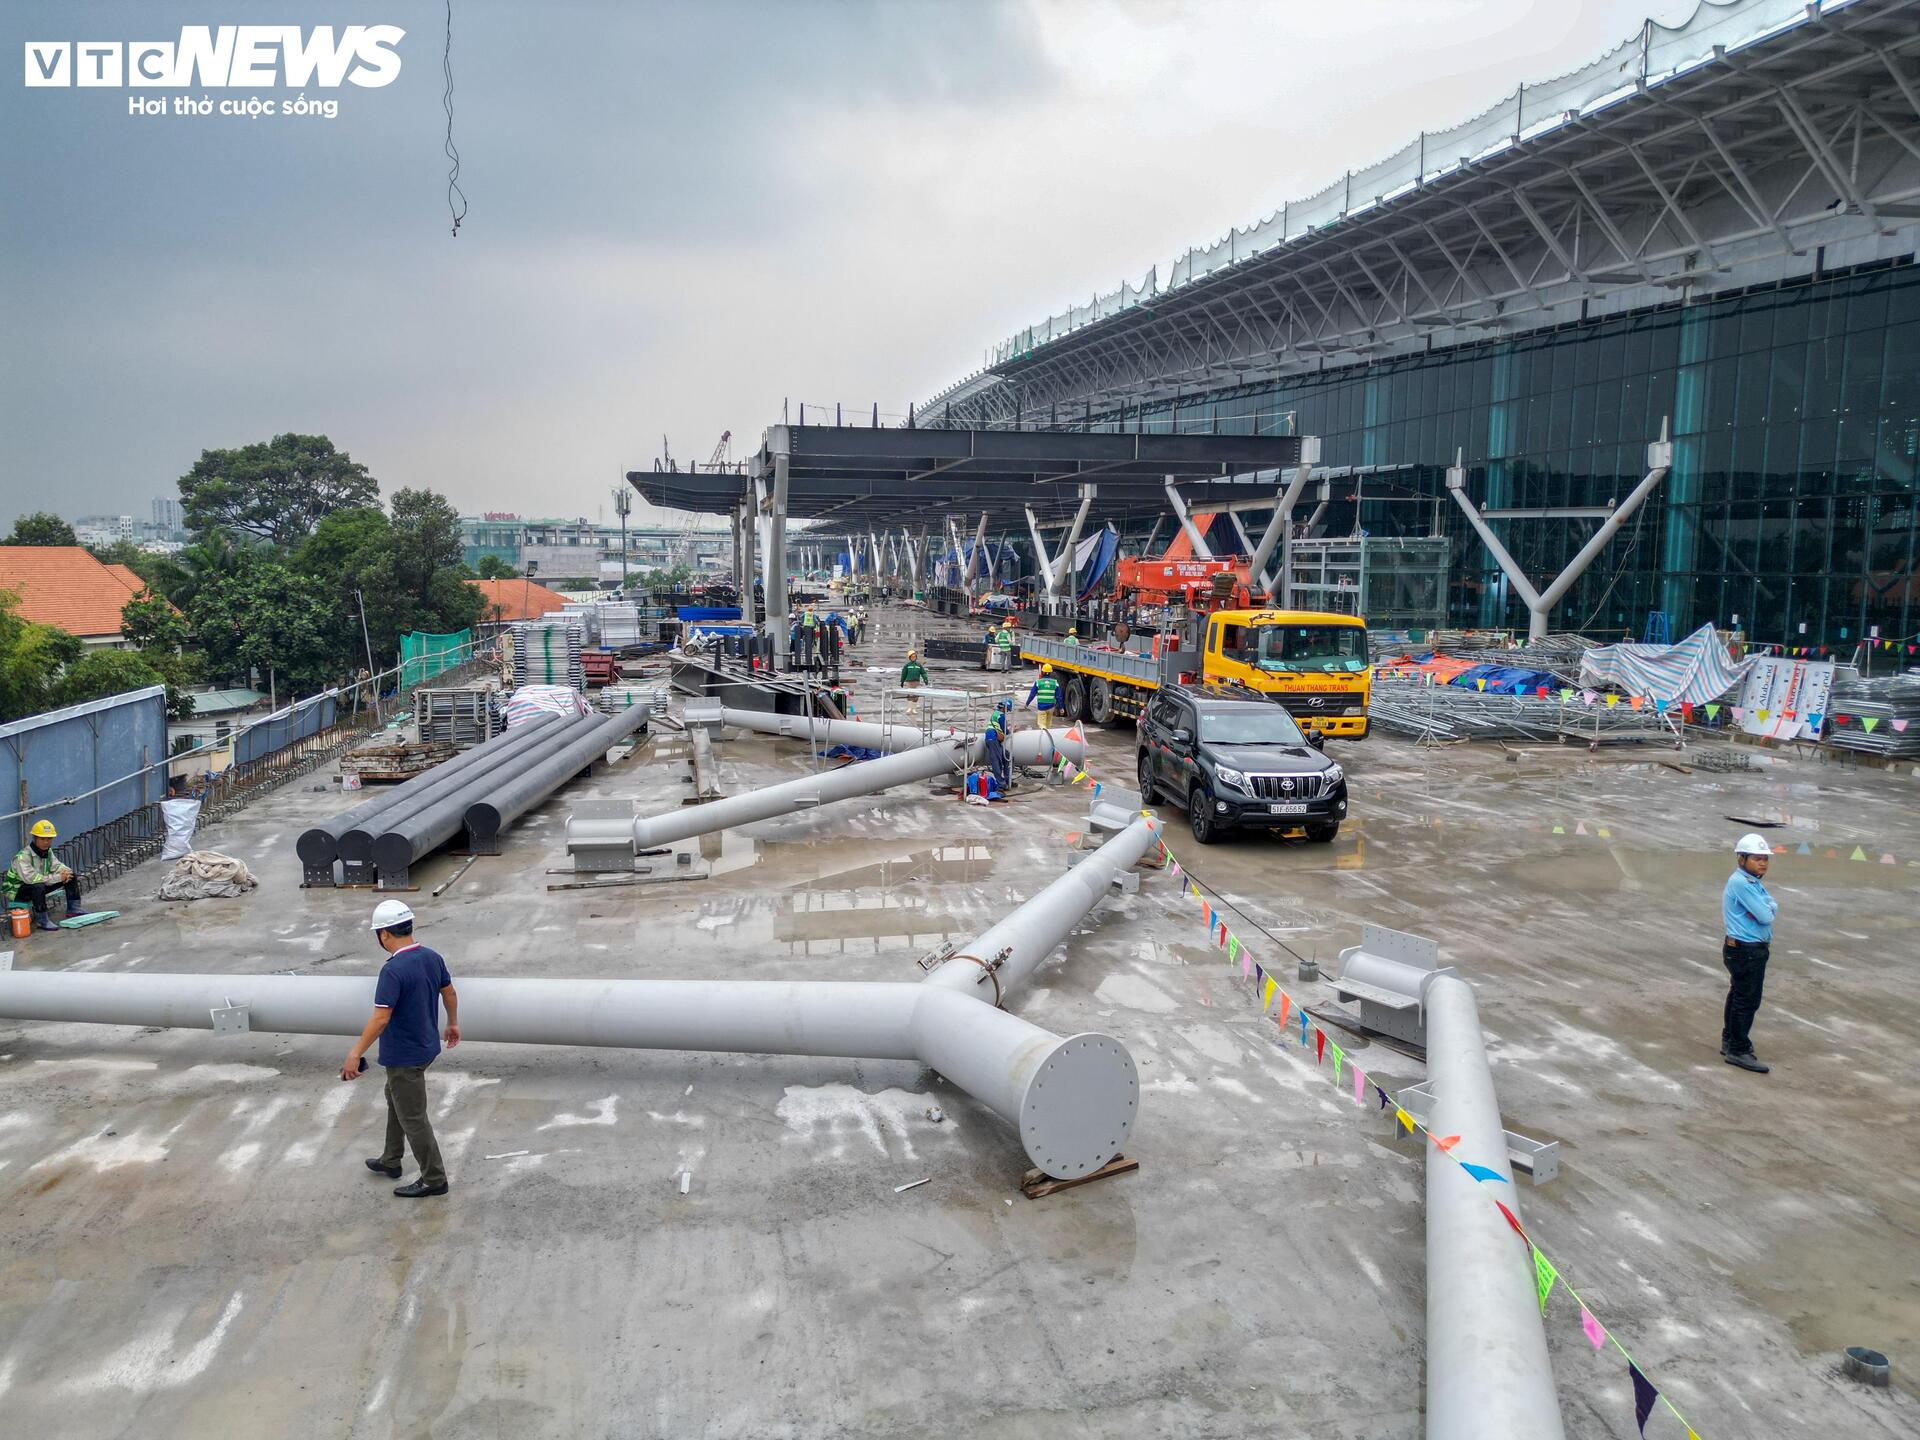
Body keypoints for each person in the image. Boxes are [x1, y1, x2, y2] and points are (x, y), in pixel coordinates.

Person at [342, 899, 460, 1197]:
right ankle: (391, 1159)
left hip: (404, 1056)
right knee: (395, 1098)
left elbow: (381, 1018)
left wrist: (354, 1054)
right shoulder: (431, 957)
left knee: (413, 1118)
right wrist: (453, 1023)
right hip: (426, 1047)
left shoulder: (393, 971)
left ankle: (434, 1179)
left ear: (383, 934)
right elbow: (449, 992)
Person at [1721, 833, 1778, 1073]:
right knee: (1747, 1000)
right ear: (1741, 859)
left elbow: (1771, 905)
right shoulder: (1743, 883)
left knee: (1738, 995)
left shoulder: (1752, 880)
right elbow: (1767, 915)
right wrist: (1769, 907)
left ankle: (1730, 1039)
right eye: (1757, 858)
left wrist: (1769, 906)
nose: (1762, 863)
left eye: (1765, 858)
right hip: (1746, 951)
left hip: (1744, 950)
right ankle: (1738, 1049)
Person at [5, 821, 88, 932]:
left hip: (39, 885)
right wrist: (59, 878)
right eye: (42, 839)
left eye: (49, 839)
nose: (46, 842)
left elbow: (57, 866)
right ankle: (42, 920)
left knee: (71, 875)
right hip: (19, 892)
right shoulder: (22, 857)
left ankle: (74, 909)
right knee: (38, 886)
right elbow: (31, 879)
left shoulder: (47, 852)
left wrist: (66, 872)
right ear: (35, 838)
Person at [1025, 663, 1060, 730]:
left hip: (1041, 707)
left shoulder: (1038, 682)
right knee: (1048, 724)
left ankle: (1043, 733)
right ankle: (1047, 736)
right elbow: (1058, 696)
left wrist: (1027, 703)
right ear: (1050, 672)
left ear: (1043, 672)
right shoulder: (1055, 682)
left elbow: (1032, 694)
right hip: (1051, 707)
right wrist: (1061, 707)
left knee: (1041, 724)